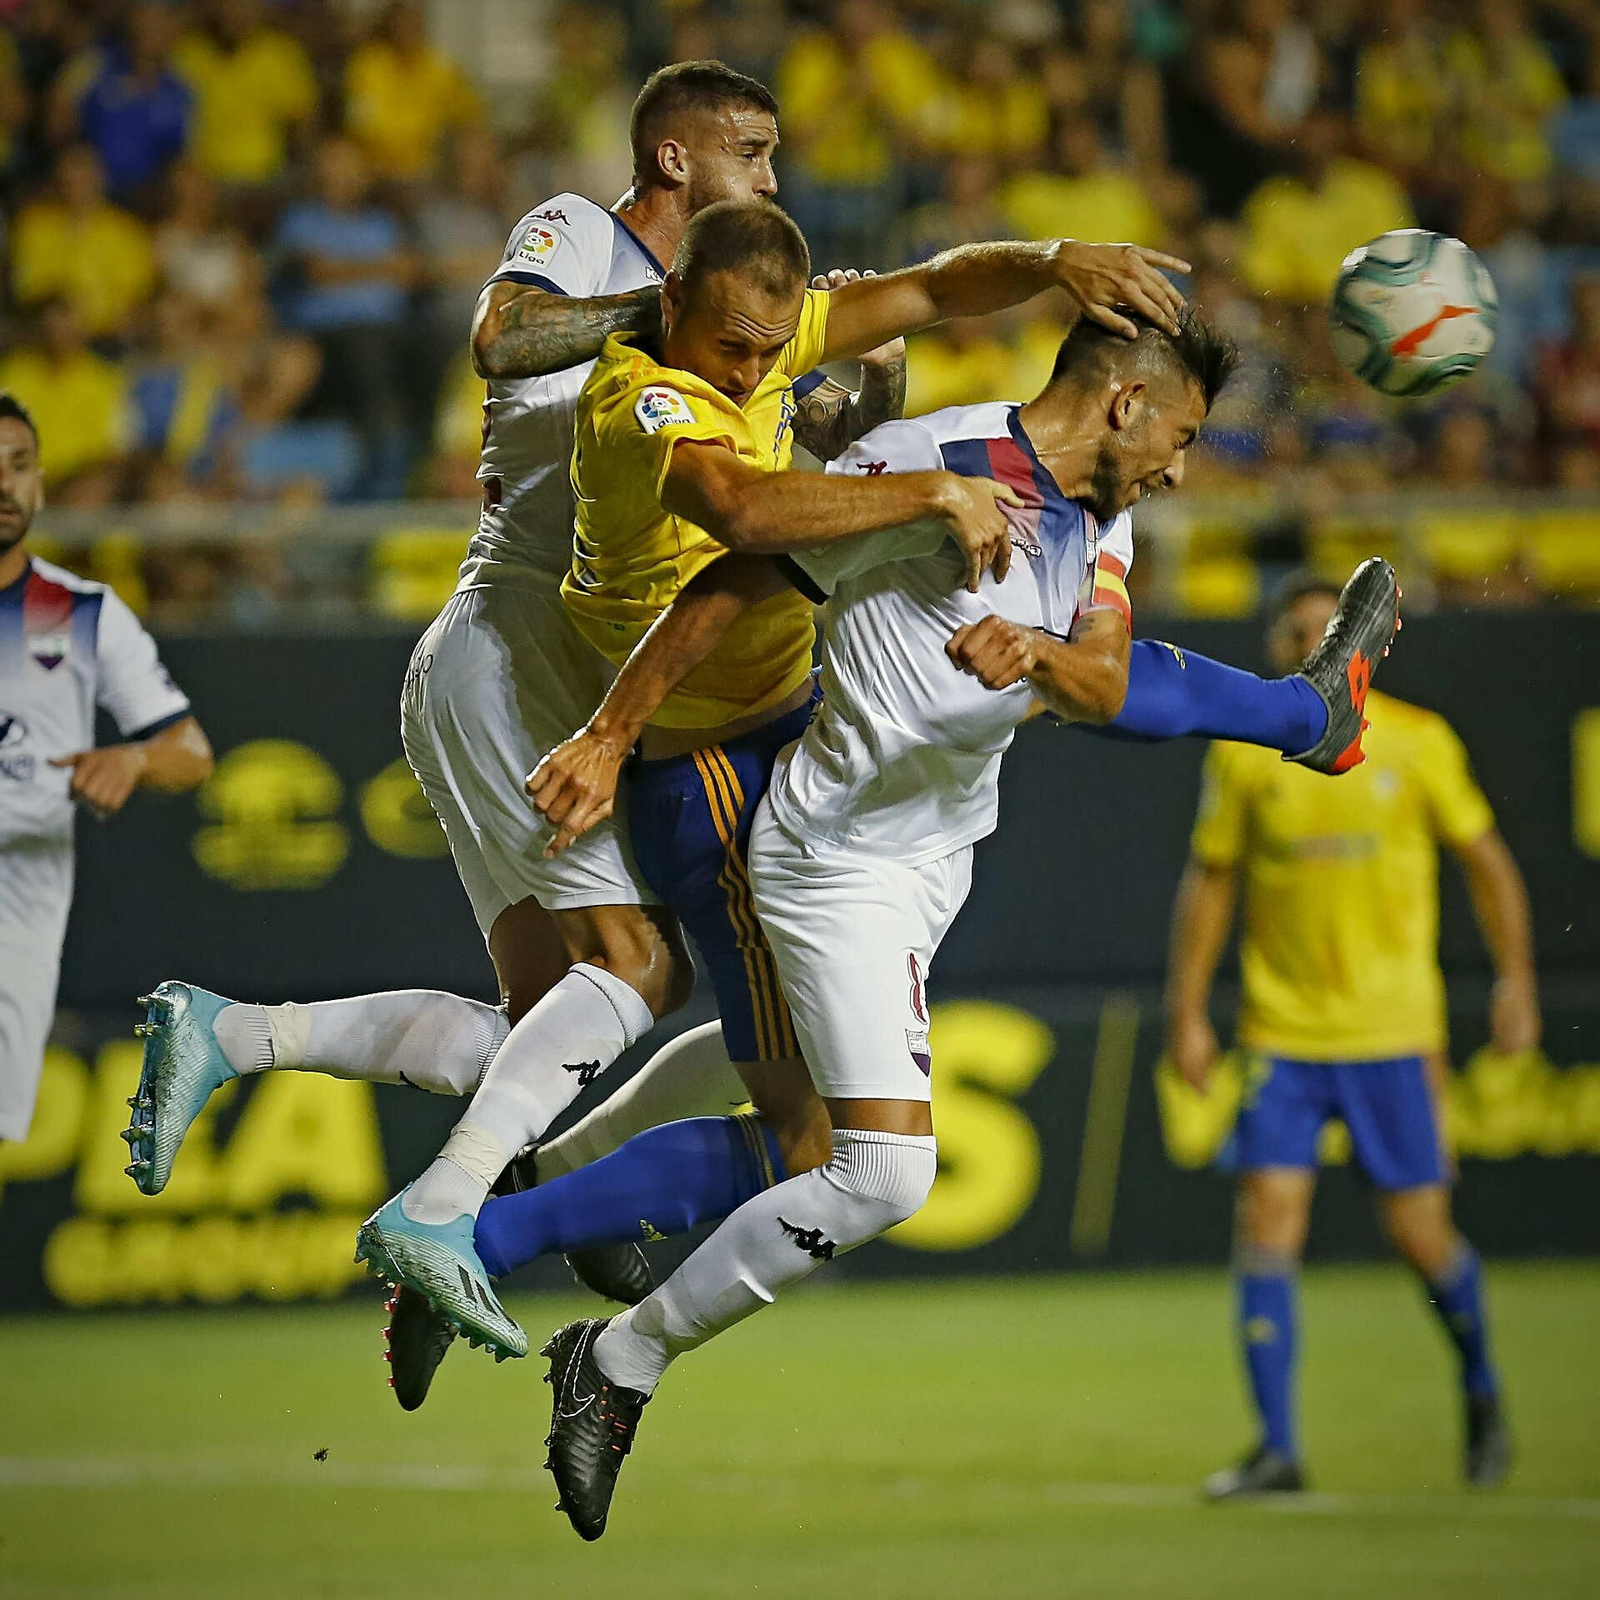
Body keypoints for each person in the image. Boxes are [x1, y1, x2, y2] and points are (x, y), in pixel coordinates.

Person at [523, 311, 1395, 1541]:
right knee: (881, 1172)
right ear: (1125, 402)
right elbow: (739, 578)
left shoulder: (1102, 507)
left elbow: (1098, 680)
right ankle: (617, 1362)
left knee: (769, 1048)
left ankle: (555, 1171)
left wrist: (1037, 649)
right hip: (835, 858)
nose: (1184, 467)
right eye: (1182, 435)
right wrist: (613, 731)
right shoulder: (927, 466)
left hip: (931, 857)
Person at [125, 62, 929, 1386]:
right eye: (753, 150)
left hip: (545, 669)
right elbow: (500, 340)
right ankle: (447, 1214)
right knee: (641, 971)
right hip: (511, 650)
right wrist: (660, 303)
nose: (771, 179)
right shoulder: (583, 234)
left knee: (543, 1032)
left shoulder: (718, 339)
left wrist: (866, 391)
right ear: (676, 159)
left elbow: (794, 445)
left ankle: (235, 1034)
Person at [350, 192, 1197, 1360]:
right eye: (733, 346)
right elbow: (744, 533)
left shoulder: (780, 343)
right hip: (706, 758)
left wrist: (1052, 257)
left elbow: (940, 284)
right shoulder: (645, 390)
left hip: (767, 741)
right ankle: (488, 1242)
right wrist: (919, 493)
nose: (754, 373)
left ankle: (534, 1192)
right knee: (810, 1133)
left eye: (769, 346)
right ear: (671, 302)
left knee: (780, 1057)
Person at [1164, 571, 1535, 1498]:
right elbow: (1209, 884)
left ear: (1355, 645)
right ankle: (1277, 1449)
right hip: (1283, 1033)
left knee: (1420, 1237)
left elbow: (1488, 864)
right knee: (1266, 1222)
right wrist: (1187, 1014)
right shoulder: (1246, 756)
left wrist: (1517, 983)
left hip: (1393, 1032)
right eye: (1289, 635)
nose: (1302, 649)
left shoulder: (1418, 742)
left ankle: (1483, 1387)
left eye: (1316, 633)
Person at [0, 394, 213, 1146]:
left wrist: (133, 755)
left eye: (19, 465)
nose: (4, 484)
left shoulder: (84, 614)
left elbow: (192, 753)